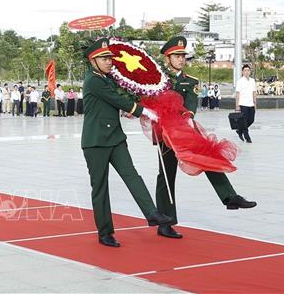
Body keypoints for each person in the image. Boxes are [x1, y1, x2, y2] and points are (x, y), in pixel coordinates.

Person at [154, 37, 257, 240]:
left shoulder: (190, 80)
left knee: (208, 156)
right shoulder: (156, 80)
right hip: (165, 133)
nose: (181, 59)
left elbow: (191, 102)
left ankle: (229, 197)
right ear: (167, 58)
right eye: (177, 56)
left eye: (183, 56)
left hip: (186, 129)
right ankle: (166, 222)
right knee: (166, 176)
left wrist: (188, 118)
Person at [81, 38, 171, 247]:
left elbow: (113, 102)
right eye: (104, 58)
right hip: (95, 142)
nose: (109, 61)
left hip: (115, 139)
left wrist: (126, 110)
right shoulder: (93, 80)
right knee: (100, 187)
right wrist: (142, 110)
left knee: (132, 175)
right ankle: (105, 233)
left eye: (109, 58)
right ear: (92, 61)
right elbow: (117, 99)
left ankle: (152, 213)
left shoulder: (106, 79)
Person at [235, 64, 257, 143]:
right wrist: (237, 105)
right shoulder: (240, 81)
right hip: (243, 104)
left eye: (248, 70)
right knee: (244, 120)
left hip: (251, 104)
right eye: (245, 70)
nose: (247, 72)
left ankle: (240, 130)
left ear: (250, 71)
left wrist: (255, 103)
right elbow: (238, 94)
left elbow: (254, 92)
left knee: (251, 120)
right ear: (242, 72)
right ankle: (247, 136)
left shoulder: (252, 81)